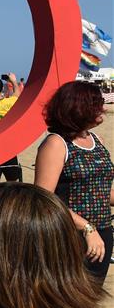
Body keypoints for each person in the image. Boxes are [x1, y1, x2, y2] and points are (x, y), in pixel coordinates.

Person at [35, 81, 113, 281]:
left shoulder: (97, 140)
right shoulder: (56, 144)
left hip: (102, 233)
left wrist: (95, 230)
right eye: (97, 103)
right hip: (69, 236)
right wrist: (86, 228)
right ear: (78, 107)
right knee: (66, 304)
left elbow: (102, 192)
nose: (103, 108)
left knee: (90, 303)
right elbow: (44, 198)